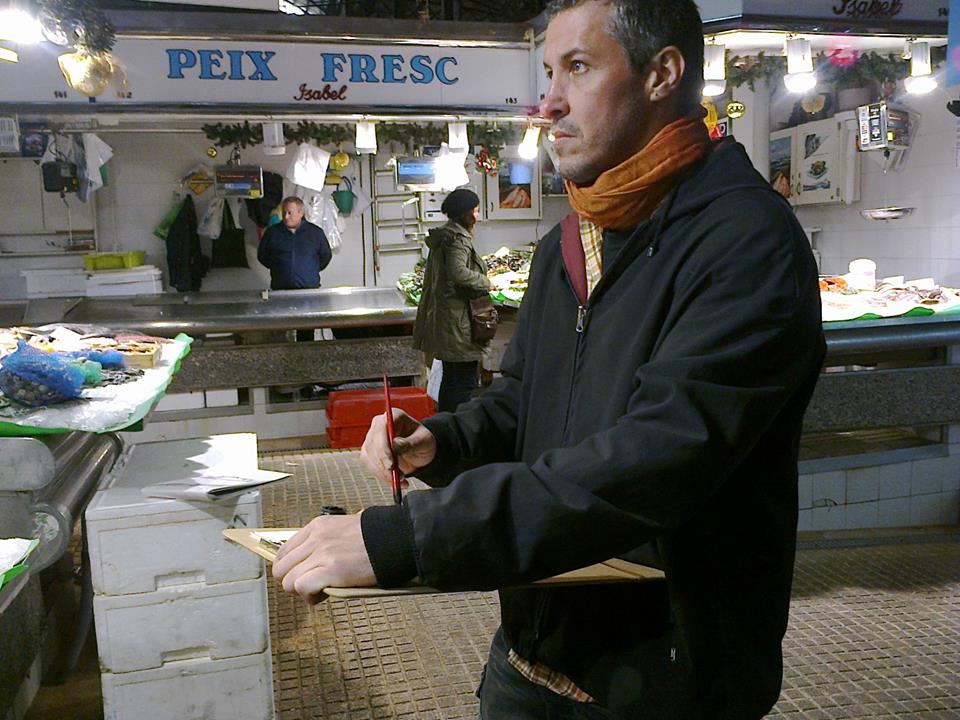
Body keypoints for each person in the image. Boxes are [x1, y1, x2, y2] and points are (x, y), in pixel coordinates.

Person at [272, 1, 825, 718]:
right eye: (548, 73)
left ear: (662, 74)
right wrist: (444, 441)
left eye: (579, 68)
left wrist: (410, 536)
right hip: (531, 652)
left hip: (663, 677)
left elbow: (656, 462)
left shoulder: (747, 242)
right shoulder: (569, 244)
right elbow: (522, 400)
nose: (548, 102)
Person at [411, 188, 493, 412]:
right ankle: (457, 426)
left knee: (451, 378)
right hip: (458, 321)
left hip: (446, 319)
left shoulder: (445, 236)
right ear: (466, 213)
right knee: (463, 382)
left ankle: (446, 423)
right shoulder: (458, 239)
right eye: (475, 210)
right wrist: (486, 282)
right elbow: (458, 272)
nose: (477, 215)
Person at [257, 195, 332, 341]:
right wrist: (279, 268)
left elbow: (325, 256)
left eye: (290, 213)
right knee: (280, 331)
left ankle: (305, 355)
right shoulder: (273, 233)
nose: (286, 216)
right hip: (281, 291)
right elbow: (263, 256)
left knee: (306, 333)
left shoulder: (315, 233)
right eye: (284, 212)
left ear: (300, 213)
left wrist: (310, 270)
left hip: (307, 292)